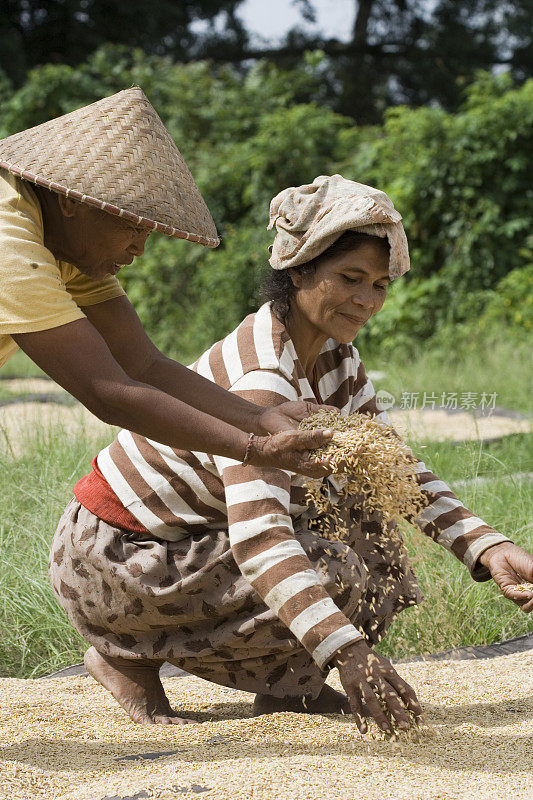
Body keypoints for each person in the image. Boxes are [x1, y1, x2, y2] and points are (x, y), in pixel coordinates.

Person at [49, 175, 533, 733]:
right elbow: (261, 538)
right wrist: (346, 654)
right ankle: (126, 654)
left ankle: (286, 689)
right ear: (298, 269)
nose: (367, 300)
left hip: (186, 540)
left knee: (369, 524)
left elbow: (394, 472)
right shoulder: (262, 378)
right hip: (118, 557)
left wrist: (489, 548)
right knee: (332, 565)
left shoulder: (337, 360)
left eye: (379, 285)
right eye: (350, 278)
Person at [0, 88, 333, 477]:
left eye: (148, 232)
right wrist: (254, 449)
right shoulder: (11, 246)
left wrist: (260, 418)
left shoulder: (69, 245)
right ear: (71, 201)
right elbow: (108, 393)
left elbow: (142, 364)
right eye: (130, 225)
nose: (139, 248)